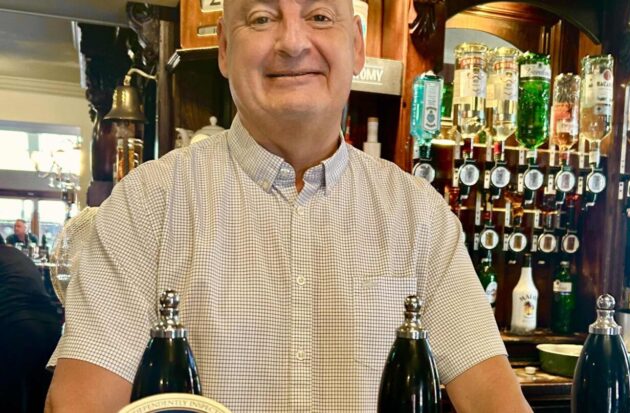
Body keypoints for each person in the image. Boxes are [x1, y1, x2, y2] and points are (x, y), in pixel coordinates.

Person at [46, 0, 531, 412]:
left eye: (320, 16)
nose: (293, 43)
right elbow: (78, 404)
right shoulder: (147, 204)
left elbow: (496, 399)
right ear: (224, 50)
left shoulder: (419, 216)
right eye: (261, 18)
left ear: (357, 46)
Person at [0, 244, 63, 413]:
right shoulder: (15, 255)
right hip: (51, 328)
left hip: (16, 329)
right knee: (40, 400)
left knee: (11, 399)